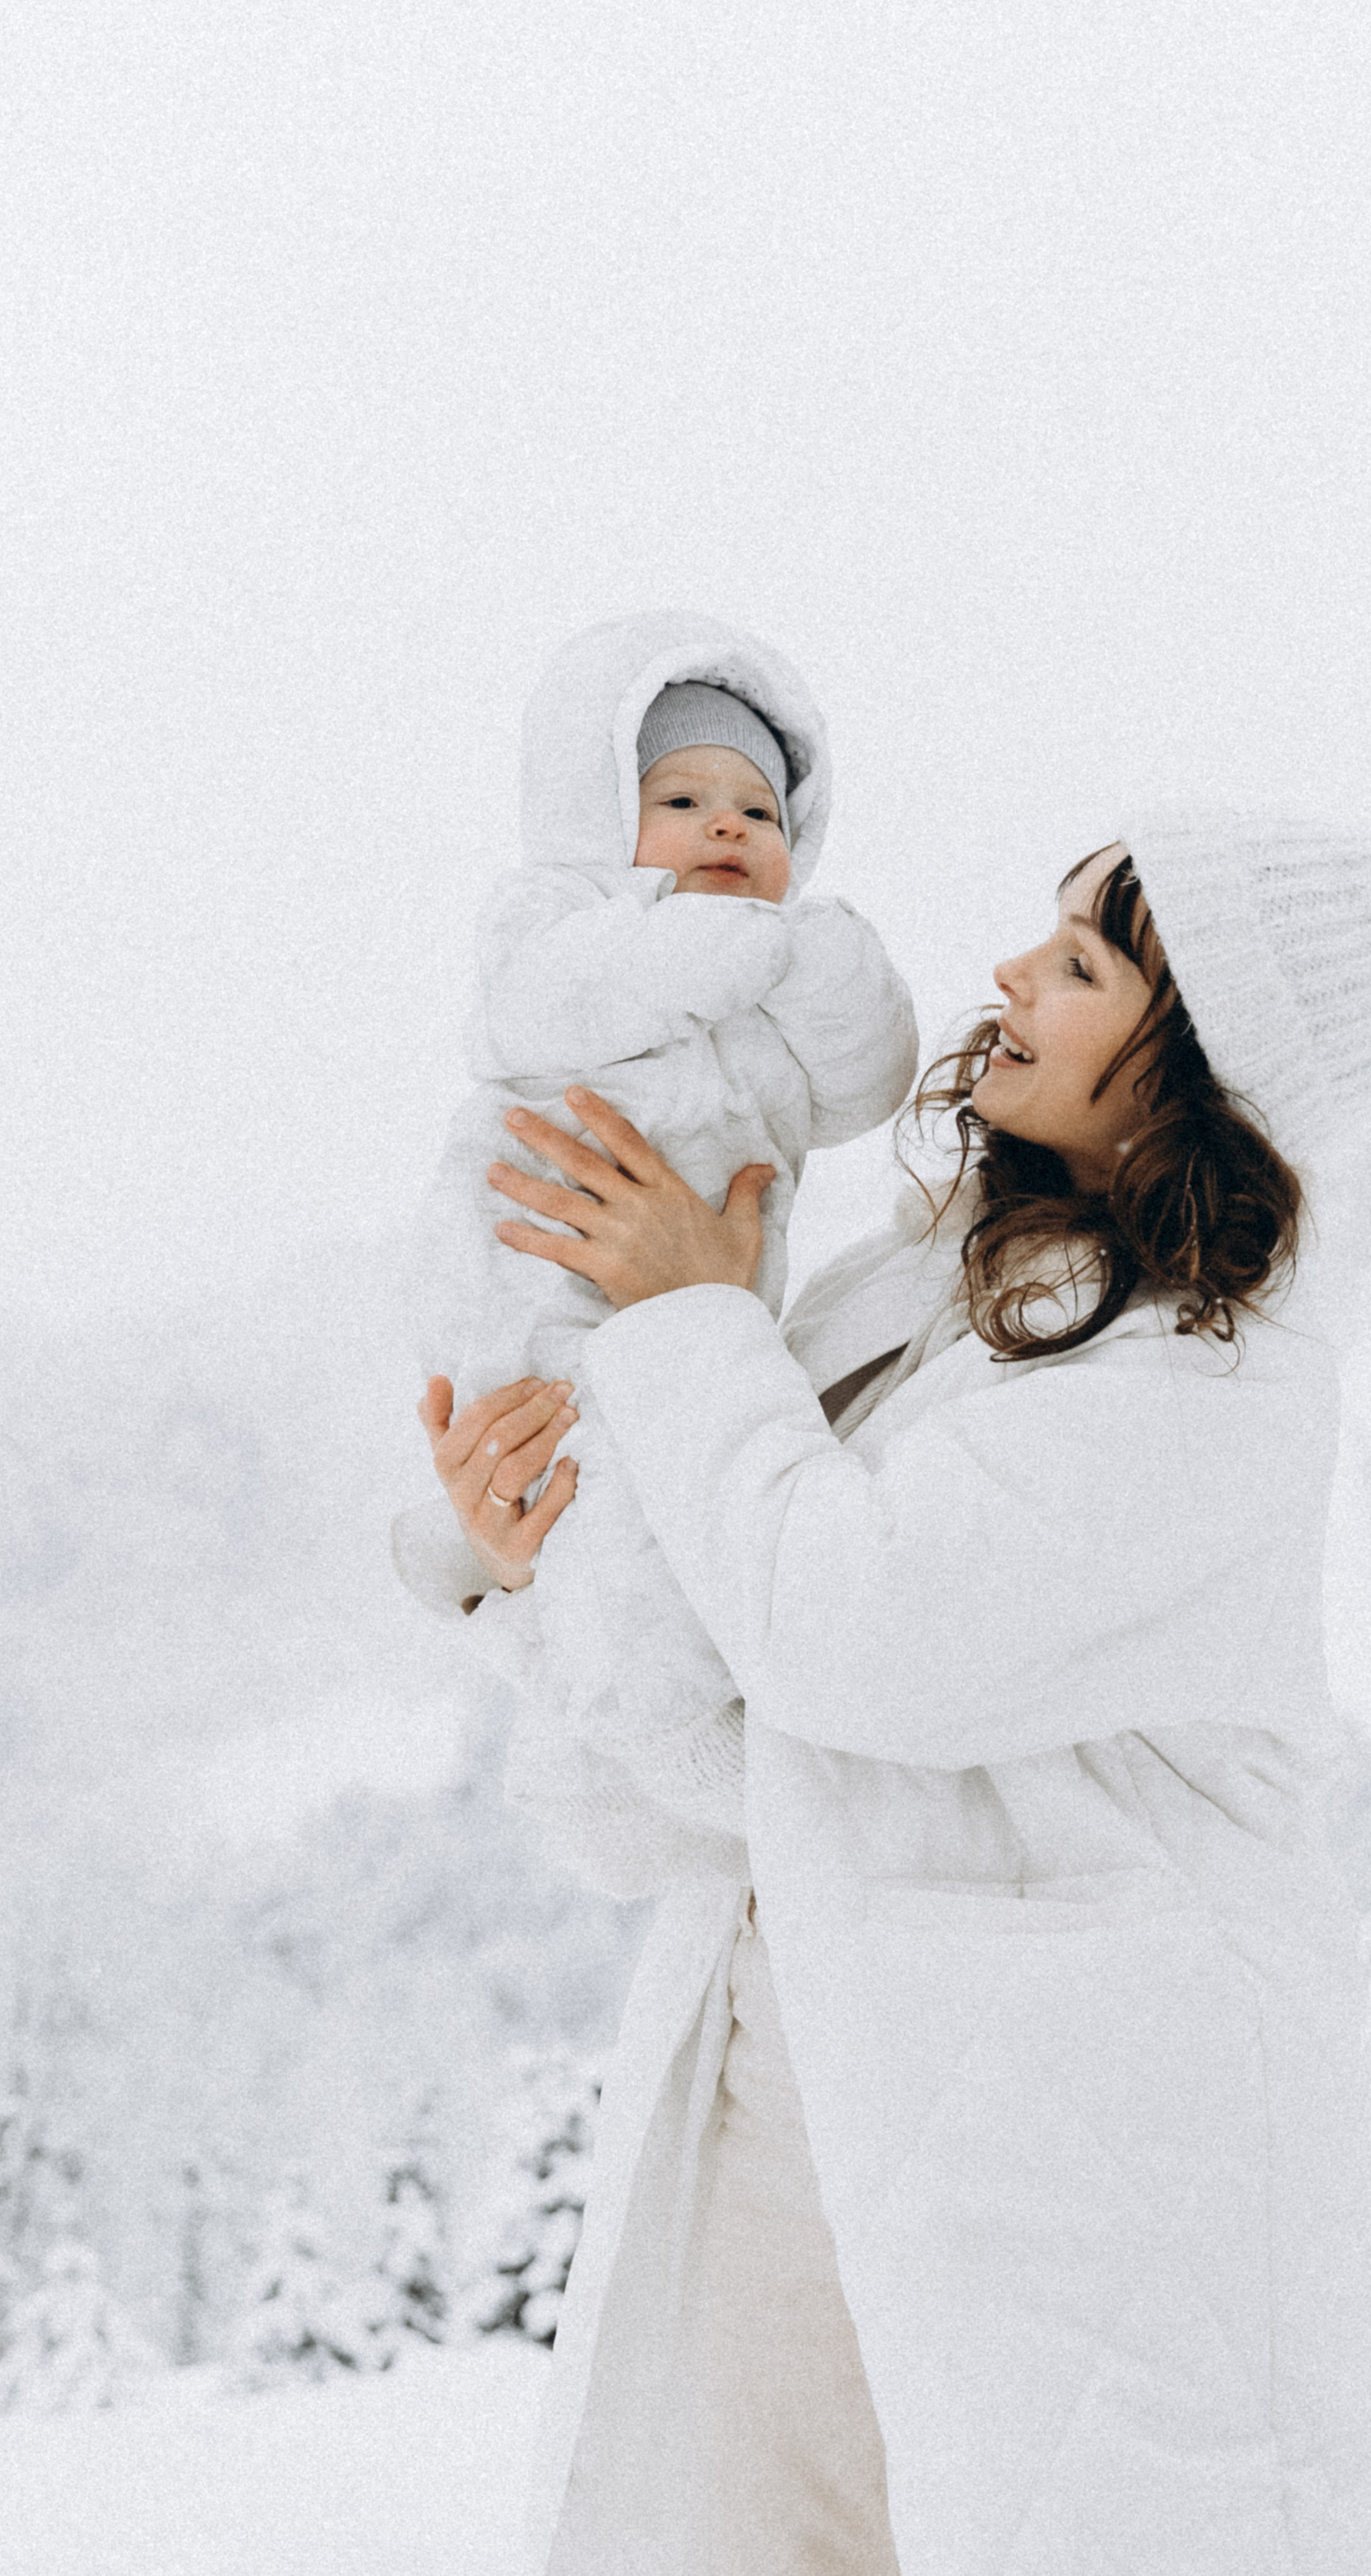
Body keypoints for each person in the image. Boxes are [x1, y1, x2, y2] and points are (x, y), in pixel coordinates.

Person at [405, 808, 1371, 2576]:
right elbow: (703, 1760)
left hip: (1075, 2173)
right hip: (802, 2107)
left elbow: (844, 1640)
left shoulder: (1203, 1381)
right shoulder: (930, 1298)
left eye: (1080, 966)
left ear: (1194, 1076)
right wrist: (525, 1555)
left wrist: (688, 1321)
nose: (1008, 974)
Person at [405, 608, 916, 1827]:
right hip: (534, 1283)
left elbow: (869, 1077)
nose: (728, 826)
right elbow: (567, 1000)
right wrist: (734, 943)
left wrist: (817, 958)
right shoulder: (554, 928)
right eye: (680, 802)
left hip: (684, 1313)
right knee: (582, 1504)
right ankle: (652, 1724)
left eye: (761, 811)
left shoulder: (762, 1017)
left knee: (667, 1511)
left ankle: (689, 1729)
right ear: (597, 822)